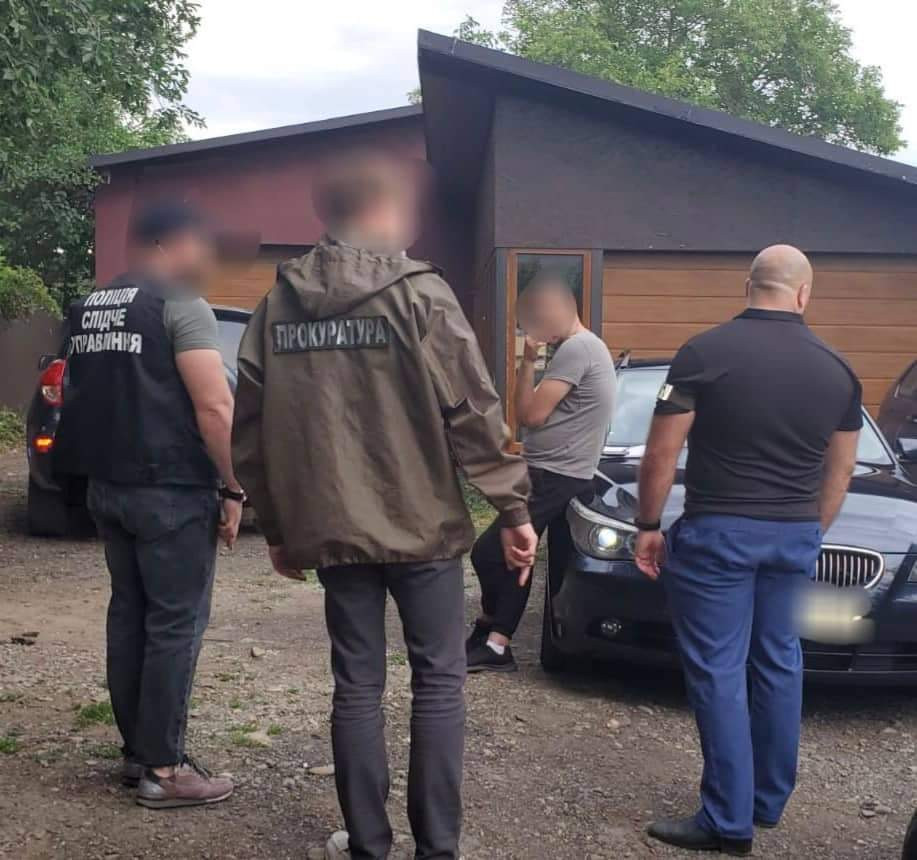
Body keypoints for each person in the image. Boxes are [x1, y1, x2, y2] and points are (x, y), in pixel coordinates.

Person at [231, 150, 537, 860]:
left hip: (333, 529)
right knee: (439, 680)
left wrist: (278, 526)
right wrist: (513, 509)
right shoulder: (420, 295)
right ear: (378, 212)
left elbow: (250, 430)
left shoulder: (276, 307)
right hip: (420, 525)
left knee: (357, 685)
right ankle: (437, 848)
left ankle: (368, 845)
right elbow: (473, 410)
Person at [634, 245, 861, 855]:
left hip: (720, 534)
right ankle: (766, 801)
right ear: (804, 293)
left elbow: (661, 453)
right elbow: (841, 470)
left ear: (748, 285)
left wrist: (648, 524)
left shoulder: (704, 353)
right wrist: (810, 528)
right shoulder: (838, 369)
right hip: (795, 534)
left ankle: (726, 822)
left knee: (719, 670)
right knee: (781, 660)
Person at [55, 201, 241, 808]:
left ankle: (139, 753)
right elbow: (214, 406)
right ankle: (164, 768)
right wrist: (234, 486)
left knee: (130, 615)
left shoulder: (91, 306)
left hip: (107, 487)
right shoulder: (180, 304)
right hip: (170, 490)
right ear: (169, 243)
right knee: (174, 624)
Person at [466, 273, 616, 672]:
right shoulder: (574, 348)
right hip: (553, 470)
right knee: (509, 553)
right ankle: (491, 634)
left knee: (496, 553)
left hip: (556, 473)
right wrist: (530, 360)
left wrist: (530, 362)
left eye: (535, 316)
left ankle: (496, 643)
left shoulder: (579, 348)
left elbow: (531, 416)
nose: (531, 326)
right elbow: (524, 415)